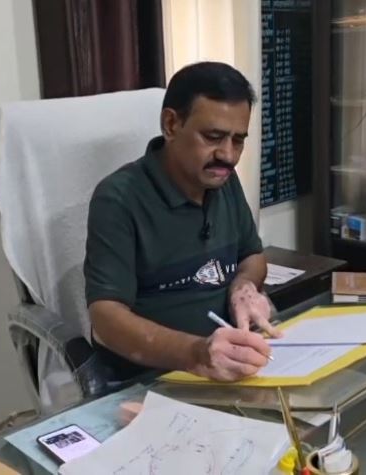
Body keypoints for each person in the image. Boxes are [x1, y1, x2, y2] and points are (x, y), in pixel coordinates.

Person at [83, 61, 282, 382]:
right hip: (154, 377)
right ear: (171, 125)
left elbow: (252, 257)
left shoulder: (224, 181)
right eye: (213, 137)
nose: (228, 156)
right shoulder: (119, 198)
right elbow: (106, 317)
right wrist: (196, 354)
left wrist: (243, 287)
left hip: (230, 363)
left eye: (238, 140)